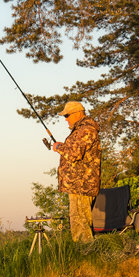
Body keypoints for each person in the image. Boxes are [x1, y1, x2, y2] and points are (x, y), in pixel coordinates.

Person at [51, 101, 101, 243]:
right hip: (78, 185)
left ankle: (85, 253)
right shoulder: (81, 130)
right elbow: (75, 151)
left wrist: (59, 147)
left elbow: (73, 154)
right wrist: (63, 146)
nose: (66, 119)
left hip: (81, 185)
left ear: (77, 114)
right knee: (79, 221)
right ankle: (85, 252)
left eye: (67, 115)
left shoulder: (86, 130)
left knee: (80, 223)